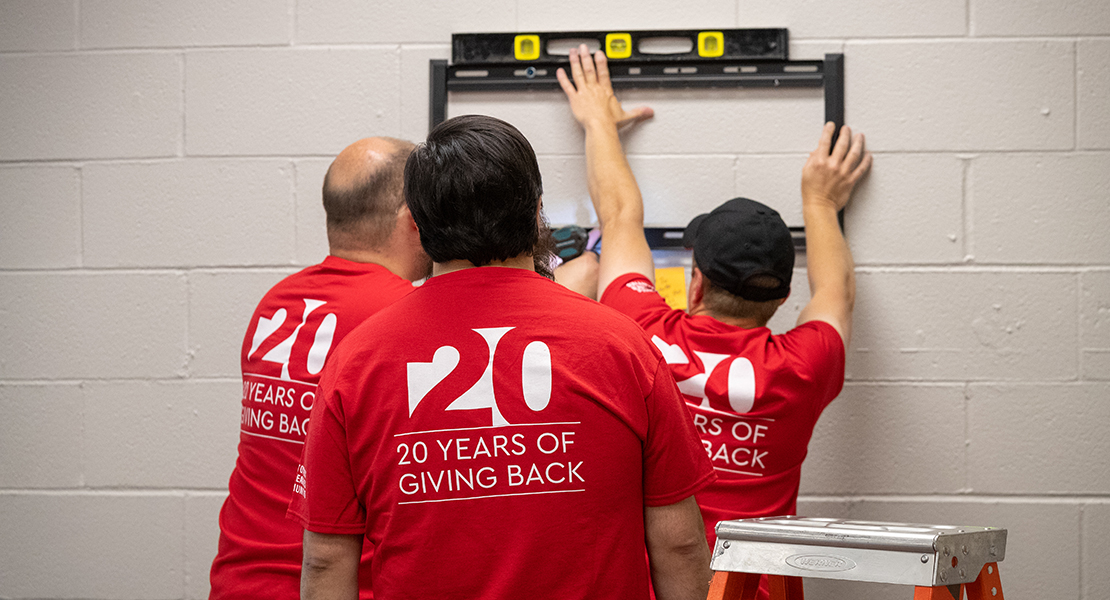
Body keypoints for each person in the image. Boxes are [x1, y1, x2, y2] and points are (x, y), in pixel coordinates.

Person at [288, 114, 716, 600]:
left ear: (418, 225)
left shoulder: (356, 361)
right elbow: (679, 544)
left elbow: (326, 558)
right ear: (537, 213)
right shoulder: (624, 346)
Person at [558, 46, 872, 548]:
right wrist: (820, 198)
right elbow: (838, 291)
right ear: (782, 297)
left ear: (696, 283)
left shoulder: (642, 328)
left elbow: (619, 215)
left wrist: (599, 122)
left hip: (658, 584)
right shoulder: (806, 366)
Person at [209, 137, 432, 599]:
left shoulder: (276, 303)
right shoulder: (406, 317)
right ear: (414, 221)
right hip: (339, 586)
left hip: (241, 582)